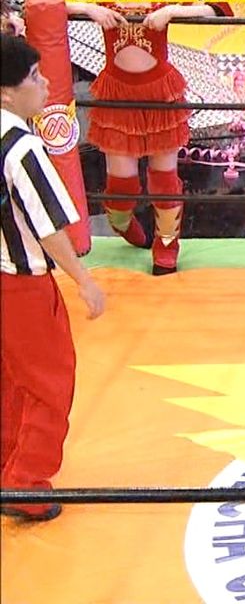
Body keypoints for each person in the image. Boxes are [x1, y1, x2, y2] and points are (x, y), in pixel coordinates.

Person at [1, 33, 106, 522]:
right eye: (33, 77)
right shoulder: (22, 148)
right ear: (7, 92)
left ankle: (9, 464)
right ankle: (25, 485)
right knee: (48, 380)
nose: (45, 84)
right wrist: (83, 279)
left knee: (10, 380)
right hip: (21, 284)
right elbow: (48, 227)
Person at [62, 0, 233, 275]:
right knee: (121, 186)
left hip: (160, 94)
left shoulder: (161, 1)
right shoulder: (104, 0)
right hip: (117, 96)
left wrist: (171, 11)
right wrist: (89, 9)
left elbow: (220, 9)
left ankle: (166, 246)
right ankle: (121, 224)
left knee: (164, 180)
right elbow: (45, 2)